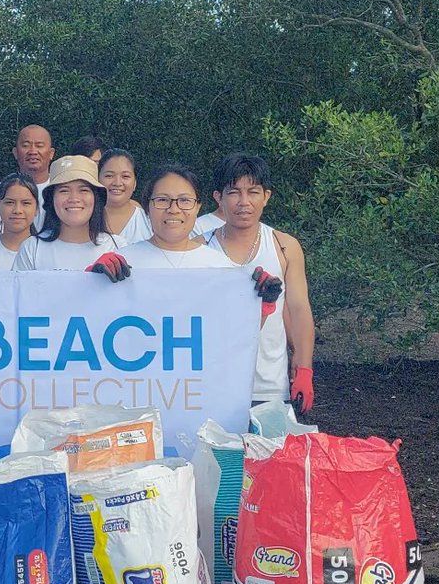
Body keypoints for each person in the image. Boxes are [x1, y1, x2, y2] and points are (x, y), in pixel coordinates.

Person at [205, 152, 316, 414]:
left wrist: (304, 369)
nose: (244, 202)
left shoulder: (285, 246)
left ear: (266, 196)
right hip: (211, 384)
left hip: (269, 384)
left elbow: (299, 309)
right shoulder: (200, 247)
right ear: (218, 197)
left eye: (252, 192)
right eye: (234, 192)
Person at [11, 155, 129, 280]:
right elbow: (17, 295)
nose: (74, 199)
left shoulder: (117, 246)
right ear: (51, 200)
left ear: (96, 198)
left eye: (83, 190)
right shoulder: (32, 248)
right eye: (64, 190)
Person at [121, 165, 232, 269]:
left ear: (198, 207)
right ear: (147, 207)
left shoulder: (220, 265)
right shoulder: (123, 263)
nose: (173, 210)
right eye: (163, 200)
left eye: (184, 200)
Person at [0, 124, 55, 231]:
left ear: (51, 153)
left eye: (39, 146)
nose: (33, 151)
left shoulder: (60, 190)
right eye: (26, 145)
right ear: (15, 152)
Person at [0, 173, 39, 268]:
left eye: (26, 203)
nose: (17, 210)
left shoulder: (46, 250)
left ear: (37, 209)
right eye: (10, 203)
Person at [99, 149, 152, 243]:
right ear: (98, 180)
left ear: (135, 183)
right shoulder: (84, 220)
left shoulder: (150, 223)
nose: (117, 183)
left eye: (125, 176)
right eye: (109, 176)